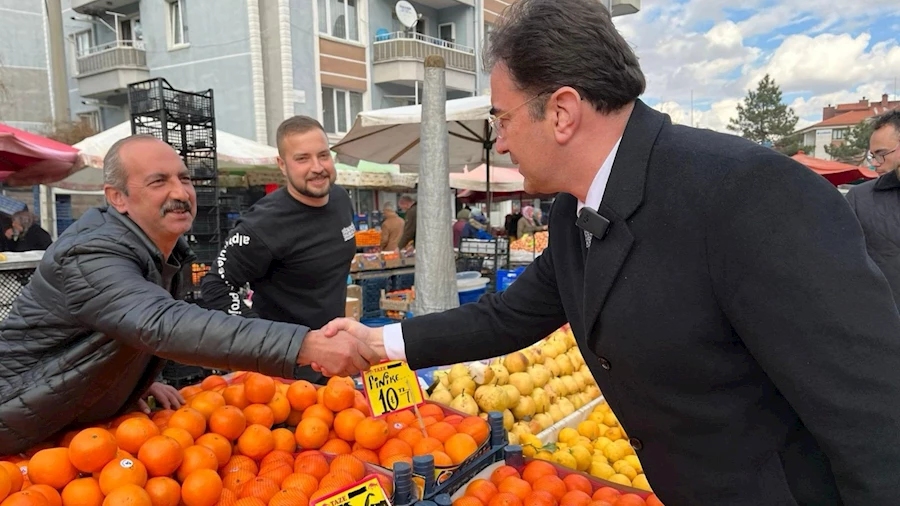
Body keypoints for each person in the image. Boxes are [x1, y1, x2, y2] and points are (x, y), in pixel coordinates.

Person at [321, 1, 900, 504]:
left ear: (562, 111)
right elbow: (508, 316)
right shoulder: (576, 213)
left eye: (502, 118)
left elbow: (873, 414)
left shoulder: (749, 192)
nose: (499, 139)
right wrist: (377, 342)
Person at [0, 135, 377, 454]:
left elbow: (117, 332)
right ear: (118, 197)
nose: (180, 193)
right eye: (158, 182)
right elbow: (160, 323)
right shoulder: (91, 253)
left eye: (184, 178)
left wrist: (134, 380)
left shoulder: (163, 252)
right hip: (20, 425)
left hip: (74, 428)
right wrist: (304, 345)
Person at [198, 116, 358, 385]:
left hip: (333, 361)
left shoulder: (341, 199)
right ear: (282, 166)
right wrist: (265, 336)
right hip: (284, 372)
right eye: (302, 159)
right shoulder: (263, 224)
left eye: (323, 155)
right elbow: (216, 286)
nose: (317, 167)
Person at [846, 110, 900, 304]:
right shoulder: (859, 199)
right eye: (873, 156)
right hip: (884, 322)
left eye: (882, 154)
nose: (876, 164)